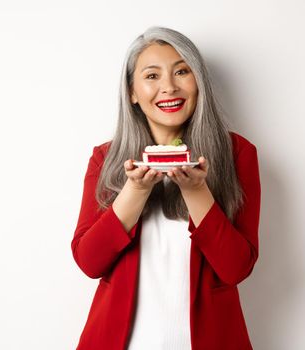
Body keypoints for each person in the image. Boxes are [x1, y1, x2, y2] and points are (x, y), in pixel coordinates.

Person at [71, 26, 261, 350]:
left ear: (198, 81)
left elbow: (236, 268)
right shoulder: (106, 158)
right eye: (152, 76)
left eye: (182, 71)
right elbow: (89, 262)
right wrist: (135, 192)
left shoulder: (237, 153)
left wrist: (196, 191)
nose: (169, 87)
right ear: (132, 91)